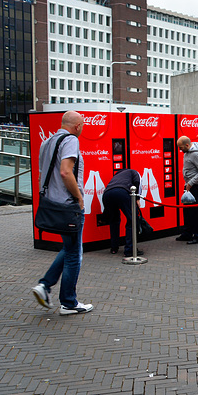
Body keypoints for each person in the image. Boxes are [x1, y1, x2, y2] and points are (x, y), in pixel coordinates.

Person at [31, 111, 93, 315]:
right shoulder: (71, 140)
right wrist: (79, 197)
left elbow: (43, 174)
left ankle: (45, 285)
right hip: (68, 206)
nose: (83, 128)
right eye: (82, 125)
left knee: (69, 248)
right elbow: (65, 171)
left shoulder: (47, 142)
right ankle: (68, 302)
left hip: (52, 204)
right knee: (75, 253)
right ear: (77, 127)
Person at [102, 168, 143, 257]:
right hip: (122, 192)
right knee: (132, 220)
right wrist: (137, 198)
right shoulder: (134, 172)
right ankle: (129, 250)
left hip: (107, 194)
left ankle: (114, 248)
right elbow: (137, 182)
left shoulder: (116, 176)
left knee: (114, 220)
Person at [176, 136, 198, 244]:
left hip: (195, 185)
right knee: (187, 211)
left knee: (195, 211)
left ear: (187, 145)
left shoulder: (196, 154)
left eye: (181, 147)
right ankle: (187, 233)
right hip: (189, 185)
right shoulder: (187, 153)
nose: (180, 150)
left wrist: (191, 182)